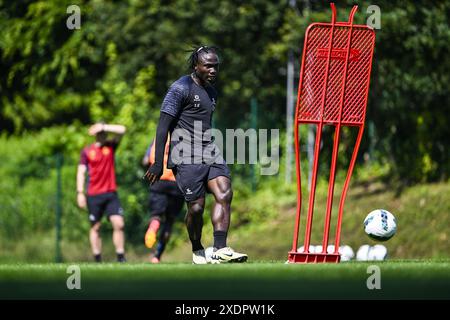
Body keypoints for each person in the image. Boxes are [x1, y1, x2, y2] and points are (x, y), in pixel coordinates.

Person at [143, 45, 247, 264]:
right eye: (208, 66)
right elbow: (163, 127)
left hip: (209, 150)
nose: (213, 70)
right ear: (196, 65)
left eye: (216, 66)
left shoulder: (211, 92)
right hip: (184, 155)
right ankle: (198, 248)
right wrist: (157, 163)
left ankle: (220, 248)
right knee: (197, 208)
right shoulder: (180, 88)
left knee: (225, 193)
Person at [76, 122, 127, 263]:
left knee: (119, 224)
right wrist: (80, 192)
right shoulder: (87, 151)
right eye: (101, 132)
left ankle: (121, 257)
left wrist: (104, 126)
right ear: (96, 135)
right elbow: (81, 172)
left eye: (105, 132)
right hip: (93, 194)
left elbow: (122, 130)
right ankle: (97, 258)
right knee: (96, 227)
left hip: (111, 193)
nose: (104, 135)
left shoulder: (110, 146)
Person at [143, 136, 185, 263]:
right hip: (176, 183)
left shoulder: (156, 138)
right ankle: (157, 256)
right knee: (169, 221)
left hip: (158, 180)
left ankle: (152, 229)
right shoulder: (183, 138)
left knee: (156, 216)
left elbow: (145, 160)